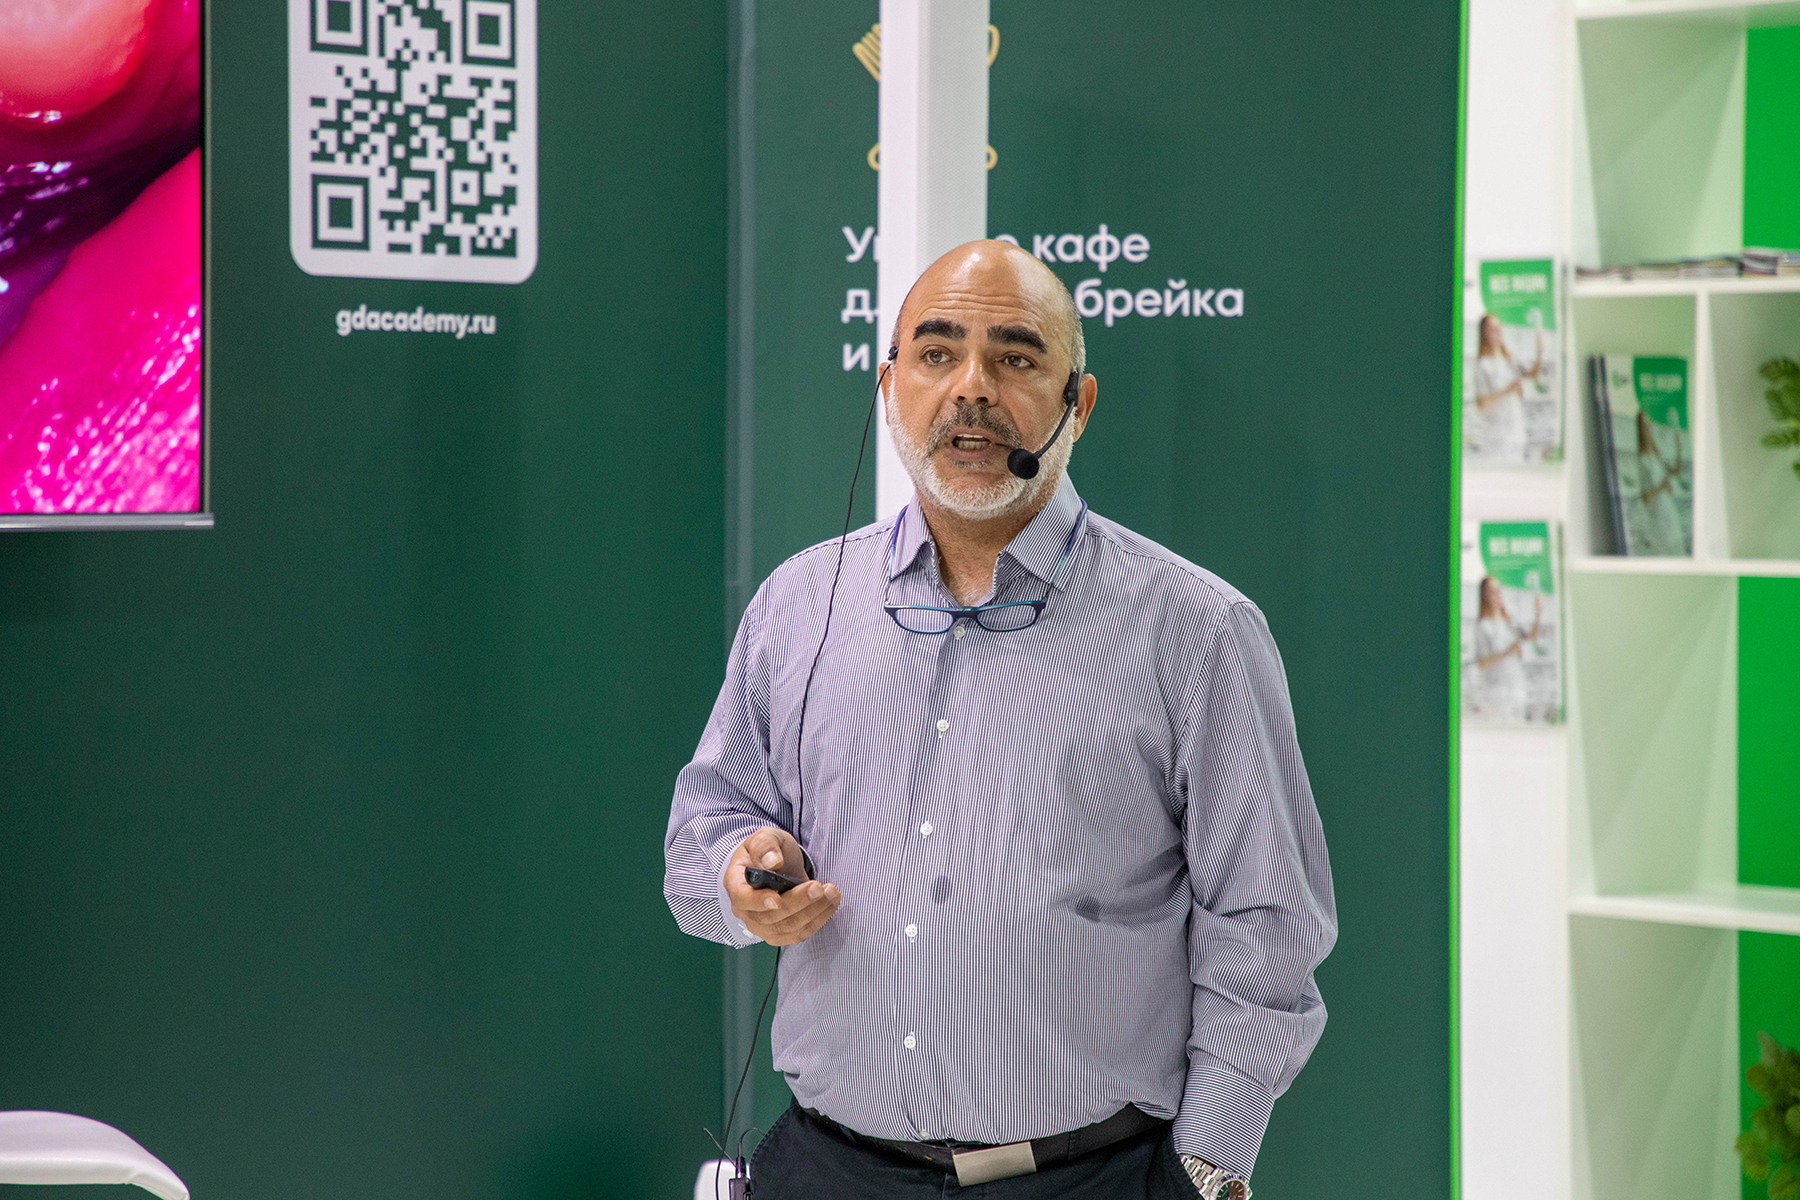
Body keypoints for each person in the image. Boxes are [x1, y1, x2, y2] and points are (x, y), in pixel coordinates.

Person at [664, 241, 1336, 1200]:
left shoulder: (1194, 629)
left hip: (1091, 1177)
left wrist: (1204, 1167)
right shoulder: (801, 603)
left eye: (1015, 358)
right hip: (827, 1167)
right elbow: (701, 837)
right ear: (889, 388)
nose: (971, 387)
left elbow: (1267, 924)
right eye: (936, 354)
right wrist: (739, 873)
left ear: (1078, 404)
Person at [1470, 312, 1542, 462]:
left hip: (1516, 437)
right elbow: (1481, 403)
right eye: (1492, 328)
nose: (1498, 331)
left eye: (1499, 327)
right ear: (1484, 334)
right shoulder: (1482, 365)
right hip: (1495, 441)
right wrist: (1507, 391)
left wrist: (1540, 349)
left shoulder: (1510, 361)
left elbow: (1532, 374)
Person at [1471, 575, 1539, 723]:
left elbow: (1531, 637)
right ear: (1484, 595)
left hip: (1517, 690)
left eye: (1498, 590)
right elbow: (1482, 663)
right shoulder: (1483, 626)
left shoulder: (1510, 622)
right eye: (1492, 591)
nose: (1497, 594)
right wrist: (1507, 652)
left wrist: (1538, 613)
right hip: (1497, 695)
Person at [1632, 409, 1687, 555]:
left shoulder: (1657, 455)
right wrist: (1661, 486)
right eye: (1644, 426)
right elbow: (1646, 499)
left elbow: (1676, 471)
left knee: (1679, 552)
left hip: (1669, 512)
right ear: (1640, 430)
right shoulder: (1643, 461)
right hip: (1659, 520)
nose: (1647, 429)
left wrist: (1679, 447)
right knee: (1670, 555)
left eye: (1648, 424)